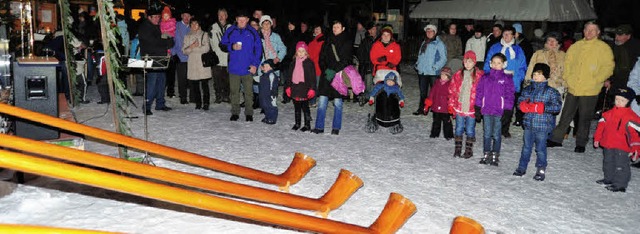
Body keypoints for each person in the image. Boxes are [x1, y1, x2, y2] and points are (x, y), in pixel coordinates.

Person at [547, 21, 615, 153]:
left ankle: (581, 142)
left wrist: (596, 80)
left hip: (590, 89)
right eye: (587, 29)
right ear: (583, 31)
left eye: (592, 30)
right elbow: (568, 64)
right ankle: (556, 138)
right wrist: (568, 78)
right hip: (573, 86)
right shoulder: (576, 46)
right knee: (566, 114)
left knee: (584, 117)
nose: (589, 32)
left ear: (598, 32)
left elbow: (608, 67)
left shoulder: (603, 48)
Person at [512, 63, 562, 181]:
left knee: (540, 149)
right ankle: (522, 167)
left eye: (539, 74)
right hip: (529, 124)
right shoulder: (528, 89)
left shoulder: (551, 92)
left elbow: (557, 107)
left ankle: (541, 168)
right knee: (526, 147)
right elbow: (520, 101)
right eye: (534, 74)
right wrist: (523, 105)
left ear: (545, 76)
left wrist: (543, 108)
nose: (535, 77)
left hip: (542, 126)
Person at [593, 86, 640, 192]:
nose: (619, 102)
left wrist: (636, 148)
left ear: (628, 102)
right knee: (608, 162)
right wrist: (597, 138)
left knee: (621, 164)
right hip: (608, 143)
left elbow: (635, 134)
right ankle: (608, 178)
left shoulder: (631, 117)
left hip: (622, 146)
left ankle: (620, 184)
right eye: (617, 99)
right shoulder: (608, 114)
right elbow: (601, 127)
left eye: (622, 100)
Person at [484, 25, 527, 138]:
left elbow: (522, 66)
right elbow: (488, 62)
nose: (506, 36)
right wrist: (489, 77)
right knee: (496, 104)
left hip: (512, 81)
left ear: (514, 35)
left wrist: (517, 78)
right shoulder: (495, 47)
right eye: (504, 34)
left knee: (508, 106)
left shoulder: (518, 50)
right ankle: (493, 128)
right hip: (496, 81)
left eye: (508, 34)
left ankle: (505, 128)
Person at [312, 20, 352, 135]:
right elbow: (322, 57)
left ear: (343, 28)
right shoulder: (328, 40)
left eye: (338, 27)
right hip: (327, 75)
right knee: (322, 101)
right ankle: (319, 127)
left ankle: (336, 127)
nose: (335, 29)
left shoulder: (347, 41)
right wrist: (325, 69)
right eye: (334, 27)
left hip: (338, 75)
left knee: (338, 102)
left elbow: (346, 60)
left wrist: (334, 71)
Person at [221, 10, 262, 122]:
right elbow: (222, 45)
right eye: (240, 19)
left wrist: (255, 65)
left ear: (248, 20)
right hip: (234, 67)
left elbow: (258, 50)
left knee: (248, 93)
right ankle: (235, 112)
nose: (242, 21)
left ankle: (249, 113)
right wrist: (232, 47)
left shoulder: (253, 32)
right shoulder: (230, 30)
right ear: (236, 19)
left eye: (244, 19)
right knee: (234, 92)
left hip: (248, 68)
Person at [476, 53, 515, 166]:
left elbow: (509, 95)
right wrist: (478, 107)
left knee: (496, 134)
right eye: (494, 62)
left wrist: (507, 110)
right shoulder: (485, 77)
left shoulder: (507, 79)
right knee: (487, 133)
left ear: (503, 65)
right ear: (490, 64)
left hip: (499, 111)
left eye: (499, 63)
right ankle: (486, 153)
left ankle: (495, 155)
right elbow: (479, 92)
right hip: (487, 110)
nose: (496, 65)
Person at [138, 3, 175, 115]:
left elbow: (170, 41)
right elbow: (153, 43)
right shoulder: (145, 27)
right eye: (155, 17)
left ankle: (160, 103)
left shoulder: (158, 26)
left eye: (159, 17)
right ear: (149, 17)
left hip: (161, 58)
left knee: (161, 82)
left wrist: (167, 41)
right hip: (151, 59)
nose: (158, 19)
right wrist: (166, 42)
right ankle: (147, 106)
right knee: (152, 84)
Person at [449, 51, 484, 158]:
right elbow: (452, 90)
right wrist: (451, 104)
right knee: (459, 127)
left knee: (470, 129)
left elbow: (482, 92)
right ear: (463, 62)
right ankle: (458, 148)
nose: (468, 64)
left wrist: (480, 106)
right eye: (466, 61)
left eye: (470, 62)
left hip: (472, 107)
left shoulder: (479, 76)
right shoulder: (458, 75)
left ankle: (469, 150)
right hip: (460, 106)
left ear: (474, 63)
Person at [415, 24, 447, 115]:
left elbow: (443, 58)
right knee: (423, 92)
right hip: (423, 71)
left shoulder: (439, 44)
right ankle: (422, 109)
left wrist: (435, 67)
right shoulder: (424, 42)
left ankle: (435, 109)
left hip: (433, 72)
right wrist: (417, 65)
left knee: (435, 92)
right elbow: (420, 56)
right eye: (427, 31)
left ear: (435, 32)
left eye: (431, 31)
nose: (429, 33)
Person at [285, 42, 316, 131]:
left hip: (304, 87)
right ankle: (297, 123)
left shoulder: (309, 63)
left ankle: (307, 124)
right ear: (296, 52)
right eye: (299, 51)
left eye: (303, 51)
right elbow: (289, 75)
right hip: (295, 87)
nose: (301, 53)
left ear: (306, 52)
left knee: (305, 107)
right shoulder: (293, 62)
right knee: (297, 107)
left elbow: (312, 77)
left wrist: (312, 88)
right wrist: (288, 86)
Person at [182, 18, 212, 110]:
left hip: (202, 63)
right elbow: (184, 51)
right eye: (192, 24)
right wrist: (191, 46)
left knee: (204, 85)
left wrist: (192, 49)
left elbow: (206, 48)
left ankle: (206, 103)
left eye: (196, 24)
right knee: (194, 85)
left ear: (199, 25)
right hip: (192, 63)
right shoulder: (187, 36)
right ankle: (198, 103)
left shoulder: (204, 34)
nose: (194, 26)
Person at [424, 67, 453, 140]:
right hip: (436, 106)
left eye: (445, 75)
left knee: (447, 122)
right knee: (436, 121)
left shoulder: (450, 85)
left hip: (445, 108)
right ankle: (434, 133)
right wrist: (428, 104)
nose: (443, 76)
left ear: (448, 76)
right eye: (442, 74)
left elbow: (452, 96)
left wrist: (451, 106)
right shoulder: (436, 83)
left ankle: (448, 135)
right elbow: (432, 93)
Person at [170, 8, 192, 103]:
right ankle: (183, 97)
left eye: (188, 16)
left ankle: (193, 97)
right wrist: (173, 53)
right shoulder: (176, 25)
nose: (186, 17)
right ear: (182, 16)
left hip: (191, 56)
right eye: (185, 15)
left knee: (191, 78)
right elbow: (170, 40)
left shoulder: (192, 26)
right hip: (179, 56)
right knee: (182, 78)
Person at [210, 8, 231, 104]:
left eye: (223, 15)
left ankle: (226, 96)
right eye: (219, 15)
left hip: (228, 58)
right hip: (216, 58)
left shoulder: (231, 28)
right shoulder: (212, 27)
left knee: (227, 79)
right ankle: (218, 96)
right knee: (217, 79)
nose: (221, 17)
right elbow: (209, 43)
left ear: (226, 16)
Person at [611, 24, 640, 89]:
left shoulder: (636, 46)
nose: (616, 38)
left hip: (630, 82)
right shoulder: (612, 45)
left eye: (620, 35)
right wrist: (608, 79)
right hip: (614, 80)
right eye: (616, 35)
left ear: (628, 36)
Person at [356, 22, 377, 106]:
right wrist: (365, 62)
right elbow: (360, 53)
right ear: (369, 31)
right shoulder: (365, 41)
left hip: (377, 65)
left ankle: (373, 97)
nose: (375, 30)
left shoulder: (378, 40)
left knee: (376, 83)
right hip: (368, 65)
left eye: (375, 29)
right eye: (373, 29)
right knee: (368, 83)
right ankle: (367, 97)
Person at [307, 24, 325, 107]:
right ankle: (311, 100)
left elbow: (314, 53)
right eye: (315, 28)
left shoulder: (321, 40)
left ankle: (312, 101)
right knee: (313, 84)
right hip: (312, 66)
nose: (316, 30)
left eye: (318, 28)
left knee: (315, 85)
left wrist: (308, 57)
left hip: (316, 66)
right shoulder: (314, 39)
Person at [258, 59, 279, 124]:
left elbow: (274, 85)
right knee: (265, 106)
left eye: (267, 66)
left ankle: (272, 118)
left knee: (271, 106)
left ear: (271, 67)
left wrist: (273, 92)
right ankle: (267, 117)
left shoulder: (271, 75)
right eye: (264, 66)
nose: (264, 68)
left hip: (270, 94)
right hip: (264, 94)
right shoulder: (263, 75)